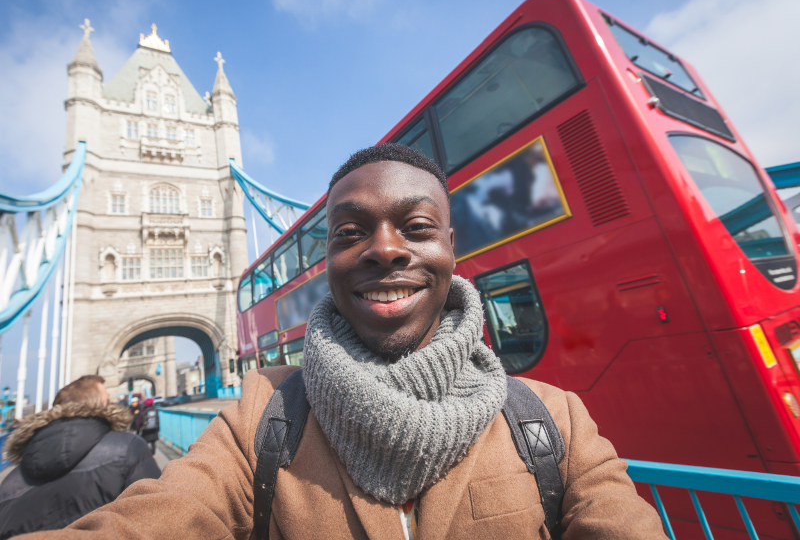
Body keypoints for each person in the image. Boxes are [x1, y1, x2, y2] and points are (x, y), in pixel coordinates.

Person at [18, 145, 667, 538]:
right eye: (350, 232)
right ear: (326, 260)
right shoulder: (258, 422)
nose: (384, 249)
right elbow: (163, 516)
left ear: (450, 248)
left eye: (415, 226)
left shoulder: (553, 423)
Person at [0, 375, 160, 538]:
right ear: (102, 407)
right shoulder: (127, 448)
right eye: (108, 401)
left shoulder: (8, 485)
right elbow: (159, 516)